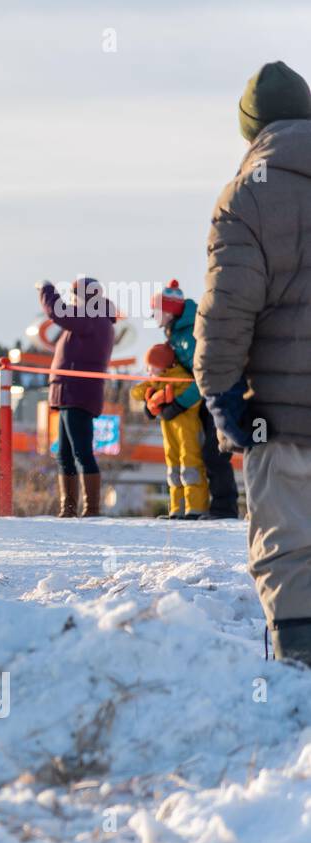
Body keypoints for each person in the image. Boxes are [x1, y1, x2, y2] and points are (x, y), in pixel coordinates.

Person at [196, 60, 311, 663]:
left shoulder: (246, 195)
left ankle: (298, 687)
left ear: (251, 131)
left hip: (283, 419)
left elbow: (226, 310)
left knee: (288, 548)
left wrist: (219, 394)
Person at [153, 280, 239, 519]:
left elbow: (202, 375)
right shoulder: (175, 333)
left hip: (218, 394)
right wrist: (155, 401)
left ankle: (225, 508)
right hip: (200, 401)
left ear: (169, 311)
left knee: (215, 452)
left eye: (157, 311)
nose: (153, 316)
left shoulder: (190, 333)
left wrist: (179, 403)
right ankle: (194, 507)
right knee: (199, 453)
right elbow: (174, 374)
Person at [38, 277, 116, 518]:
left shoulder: (92, 318)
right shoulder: (93, 319)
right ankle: (68, 507)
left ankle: (91, 508)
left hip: (77, 392)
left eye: (74, 296)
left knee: (81, 451)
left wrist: (46, 290)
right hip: (69, 392)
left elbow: (57, 313)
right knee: (64, 453)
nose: (71, 301)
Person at [131, 344, 208, 519]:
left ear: (163, 365)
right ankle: (177, 509)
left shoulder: (180, 378)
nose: (148, 370)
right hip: (170, 433)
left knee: (191, 467)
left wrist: (172, 399)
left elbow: (194, 397)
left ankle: (195, 508)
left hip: (187, 431)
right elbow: (136, 391)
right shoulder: (156, 382)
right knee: (173, 469)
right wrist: (149, 397)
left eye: (151, 366)